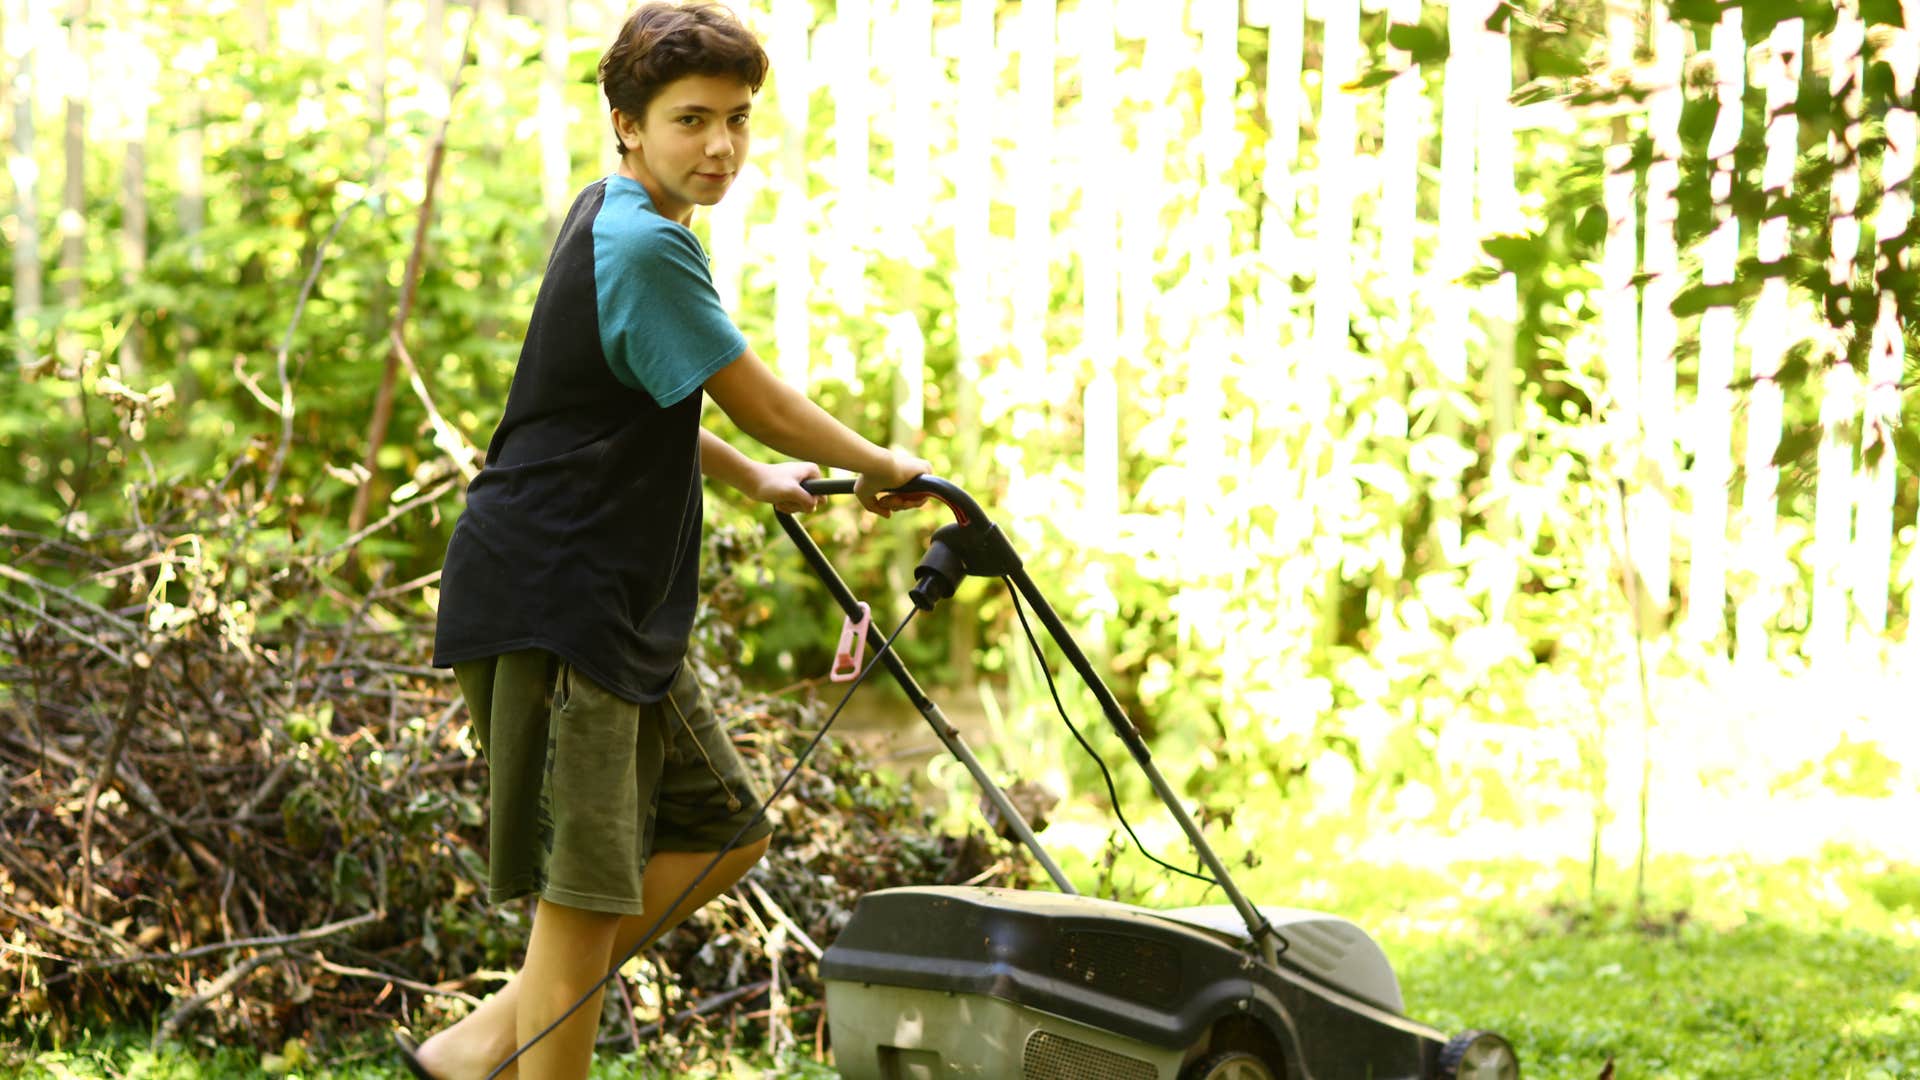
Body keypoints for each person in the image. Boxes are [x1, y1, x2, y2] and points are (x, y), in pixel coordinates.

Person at [398, 4, 930, 1076]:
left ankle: (480, 1045)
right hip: (562, 597)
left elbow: (646, 400)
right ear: (627, 122)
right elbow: (758, 400)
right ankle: (514, 1053)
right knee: (584, 892)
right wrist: (884, 464)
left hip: (611, 605)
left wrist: (753, 480)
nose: (721, 147)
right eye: (692, 120)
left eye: (737, 119)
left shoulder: (623, 214)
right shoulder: (641, 239)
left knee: (727, 829)